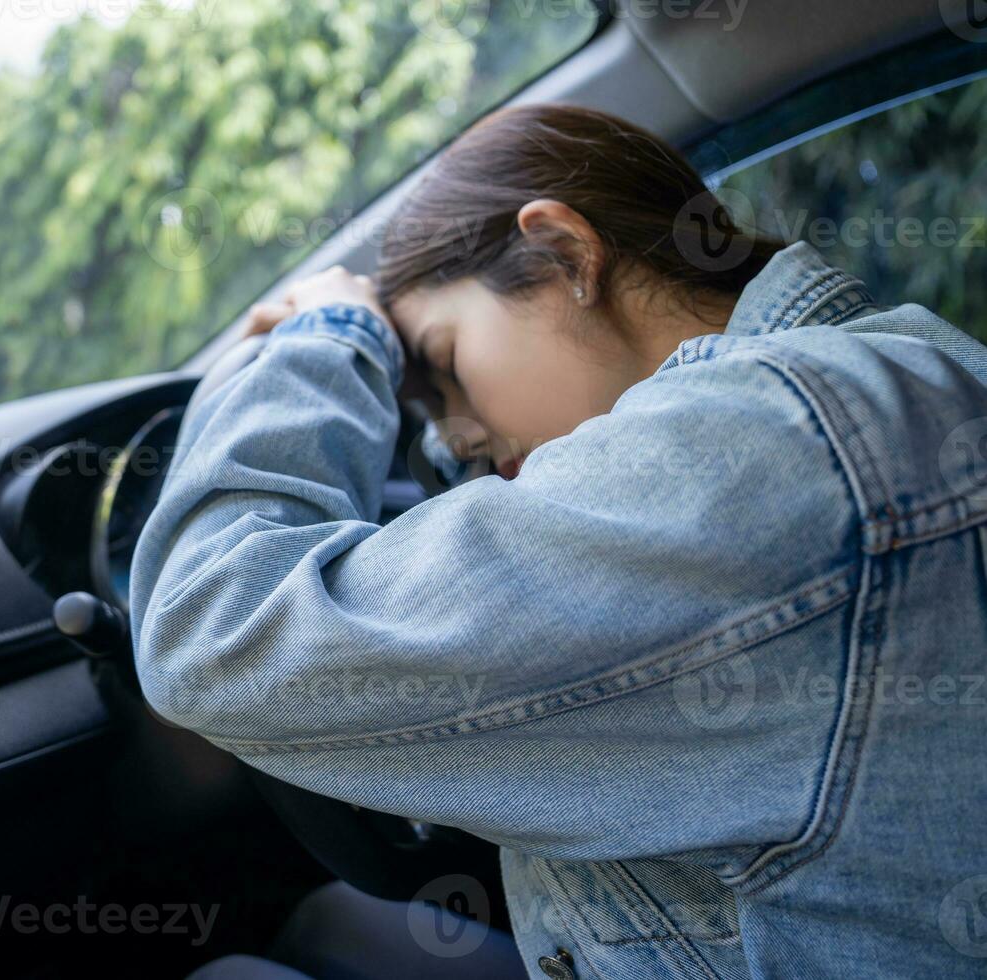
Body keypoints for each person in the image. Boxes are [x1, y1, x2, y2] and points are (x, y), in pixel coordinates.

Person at [130, 104, 987, 978]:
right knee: (323, 929)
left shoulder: (754, 449)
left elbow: (212, 631)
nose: (457, 439)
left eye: (447, 362)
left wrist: (329, 337)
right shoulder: (890, 368)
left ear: (566, 254)